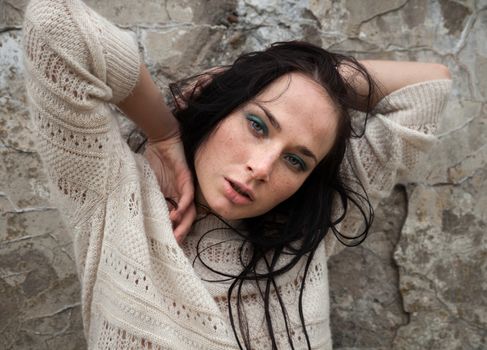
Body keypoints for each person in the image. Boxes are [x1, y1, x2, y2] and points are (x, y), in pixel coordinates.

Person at [22, 0, 452, 349]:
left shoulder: (312, 229)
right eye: (258, 125)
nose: (262, 168)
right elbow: (55, 23)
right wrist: (164, 134)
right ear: (221, 106)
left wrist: (301, 72)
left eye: (297, 161)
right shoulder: (113, 195)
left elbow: (430, 88)